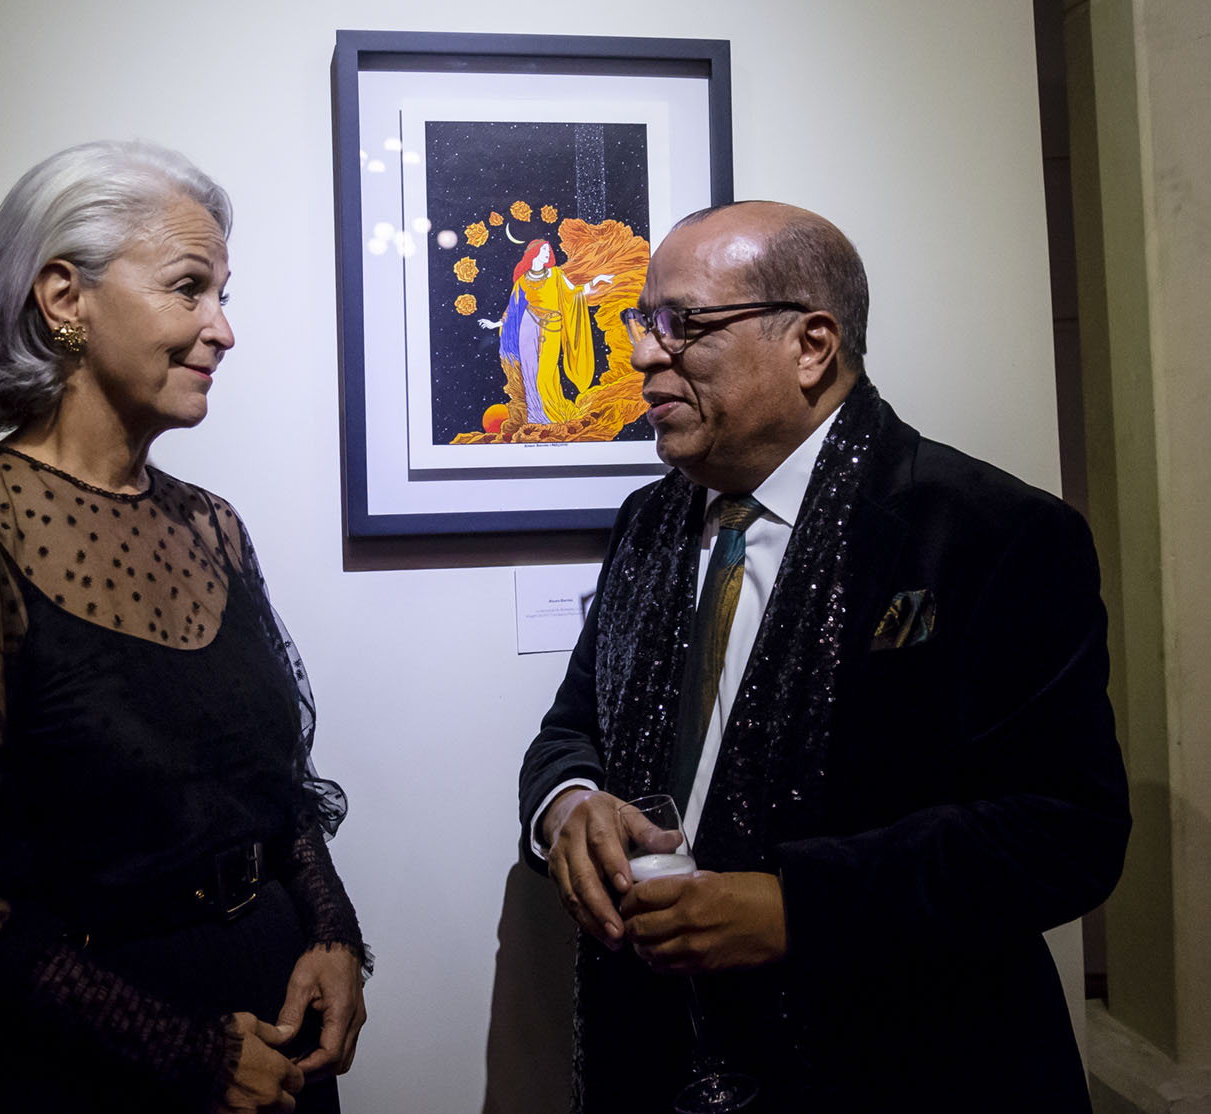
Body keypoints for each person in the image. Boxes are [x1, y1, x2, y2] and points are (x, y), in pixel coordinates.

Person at [517, 201, 1130, 1113]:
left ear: (811, 345)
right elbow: (571, 729)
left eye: (681, 323)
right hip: (658, 1054)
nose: (642, 355)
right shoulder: (649, 522)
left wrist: (796, 907)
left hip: (903, 1067)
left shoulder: (988, 533)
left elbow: (1064, 832)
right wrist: (569, 807)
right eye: (643, 322)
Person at [0, 140, 368, 1114]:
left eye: (222, 294)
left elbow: (272, 790)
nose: (222, 329)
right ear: (63, 299)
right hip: (82, 1064)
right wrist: (184, 1050)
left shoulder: (210, 527)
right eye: (188, 288)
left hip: (269, 1036)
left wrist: (332, 934)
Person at [478, 239, 613, 423]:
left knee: (546, 373)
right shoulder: (523, 280)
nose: (548, 253)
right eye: (544, 250)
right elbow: (513, 309)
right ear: (533, 254)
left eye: (548, 250)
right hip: (528, 324)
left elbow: (575, 293)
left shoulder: (556, 274)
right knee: (530, 372)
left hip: (552, 326)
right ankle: (535, 416)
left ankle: (551, 412)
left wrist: (595, 281)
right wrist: (496, 324)